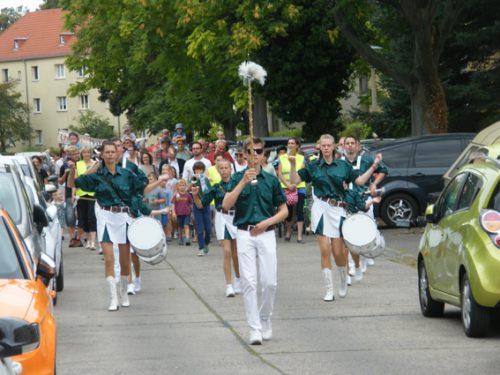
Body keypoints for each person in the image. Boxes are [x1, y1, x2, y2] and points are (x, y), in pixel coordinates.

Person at [288, 134, 382, 302]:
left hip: (338, 209)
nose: (325, 148)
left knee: (338, 252)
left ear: (333, 147)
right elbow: (294, 182)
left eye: (328, 145)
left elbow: (359, 181)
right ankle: (328, 289)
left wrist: (374, 167)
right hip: (320, 208)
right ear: (319, 147)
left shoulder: (343, 166)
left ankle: (343, 278)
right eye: (323, 145)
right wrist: (293, 164)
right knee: (324, 250)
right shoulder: (313, 166)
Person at [67, 141, 151, 311]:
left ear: (118, 154)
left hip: (123, 216)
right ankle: (113, 298)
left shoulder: (127, 173)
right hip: (105, 216)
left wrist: (138, 202)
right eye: (107, 152)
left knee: (125, 260)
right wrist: (72, 170)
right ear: (103, 155)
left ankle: (123, 292)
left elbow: (142, 185)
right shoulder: (97, 176)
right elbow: (72, 184)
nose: (111, 154)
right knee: (108, 259)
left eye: (113, 152)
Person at [223, 137, 288, 345]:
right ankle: (254, 329)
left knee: (269, 282)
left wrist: (267, 222)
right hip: (244, 233)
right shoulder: (236, 178)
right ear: (244, 155)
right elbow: (226, 204)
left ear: (264, 155)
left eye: (259, 152)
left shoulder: (271, 180)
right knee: (249, 282)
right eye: (250, 152)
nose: (255, 155)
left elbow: (284, 210)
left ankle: (265, 317)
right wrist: (242, 182)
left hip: (266, 232)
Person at [193, 158, 241, 297]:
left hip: (236, 218)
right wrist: (195, 195)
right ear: (218, 171)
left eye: (227, 168)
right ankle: (228, 285)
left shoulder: (237, 184)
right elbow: (201, 204)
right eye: (221, 168)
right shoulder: (215, 188)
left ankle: (238, 279)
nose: (224, 170)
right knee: (226, 252)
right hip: (222, 218)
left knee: (236, 254)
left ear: (231, 170)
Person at [343, 135, 388, 274]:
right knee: (350, 233)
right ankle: (352, 265)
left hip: (364, 198)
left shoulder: (366, 160)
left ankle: (365, 257)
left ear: (357, 146)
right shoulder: (339, 163)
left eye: (352, 143)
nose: (350, 145)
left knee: (367, 231)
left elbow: (383, 170)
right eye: (347, 143)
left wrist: (374, 183)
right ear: (344, 146)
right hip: (347, 200)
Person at [277, 137, 306, 243]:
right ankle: (288, 231)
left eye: (293, 143)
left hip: (299, 186)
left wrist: (294, 184)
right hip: (286, 187)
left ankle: (299, 236)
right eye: (289, 143)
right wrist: (288, 184)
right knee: (288, 212)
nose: (290, 145)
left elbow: (302, 173)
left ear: (297, 145)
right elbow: (279, 173)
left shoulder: (301, 158)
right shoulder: (282, 157)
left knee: (299, 210)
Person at [58, 145, 82, 247]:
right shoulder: (64, 166)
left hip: (82, 192)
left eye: (75, 152)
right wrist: (66, 173)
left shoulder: (82, 163)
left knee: (82, 216)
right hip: (69, 193)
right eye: (71, 154)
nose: (74, 155)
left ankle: (80, 237)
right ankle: (72, 238)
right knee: (70, 216)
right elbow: (60, 181)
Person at [75, 147, 97, 250]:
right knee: (83, 218)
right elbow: (76, 180)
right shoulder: (78, 164)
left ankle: (92, 241)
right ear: (82, 154)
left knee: (92, 216)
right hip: (81, 193)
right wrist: (74, 194)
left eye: (88, 152)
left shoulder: (95, 163)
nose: (87, 154)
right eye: (84, 152)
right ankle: (88, 239)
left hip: (92, 193)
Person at [191, 161, 212, 256]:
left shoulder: (205, 179)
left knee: (208, 228)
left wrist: (205, 179)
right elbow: (188, 188)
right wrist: (193, 183)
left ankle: (206, 243)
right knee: (199, 228)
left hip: (206, 205)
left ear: (203, 170)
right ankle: (201, 248)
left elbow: (208, 191)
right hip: (196, 206)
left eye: (200, 169)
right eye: (196, 169)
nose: (198, 171)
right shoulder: (193, 178)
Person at [172, 179, 192, 246]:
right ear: (177, 187)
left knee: (186, 225)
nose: (182, 187)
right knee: (180, 227)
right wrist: (174, 212)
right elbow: (173, 204)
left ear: (185, 186)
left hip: (186, 213)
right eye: (180, 185)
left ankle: (187, 238)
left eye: (183, 185)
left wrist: (191, 212)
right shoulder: (176, 195)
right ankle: (180, 237)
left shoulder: (188, 195)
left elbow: (191, 204)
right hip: (179, 213)